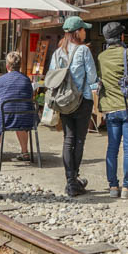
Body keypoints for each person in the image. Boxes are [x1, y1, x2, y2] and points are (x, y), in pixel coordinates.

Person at [96, 22, 128, 199]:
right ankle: (127, 188)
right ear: (121, 37)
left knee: (112, 148)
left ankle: (112, 187)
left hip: (110, 108)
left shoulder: (101, 57)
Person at [49, 16, 97, 197]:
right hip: (81, 100)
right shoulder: (83, 50)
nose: (86, 32)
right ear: (78, 32)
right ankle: (73, 181)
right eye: (84, 29)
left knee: (68, 139)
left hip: (63, 101)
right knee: (79, 140)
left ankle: (70, 181)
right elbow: (92, 77)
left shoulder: (57, 53)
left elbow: (52, 77)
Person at [0, 51, 36, 162]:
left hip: (6, 116)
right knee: (20, 119)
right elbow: (30, 96)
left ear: (7, 66)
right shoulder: (26, 80)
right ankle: (25, 152)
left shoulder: (1, 80)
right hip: (26, 117)